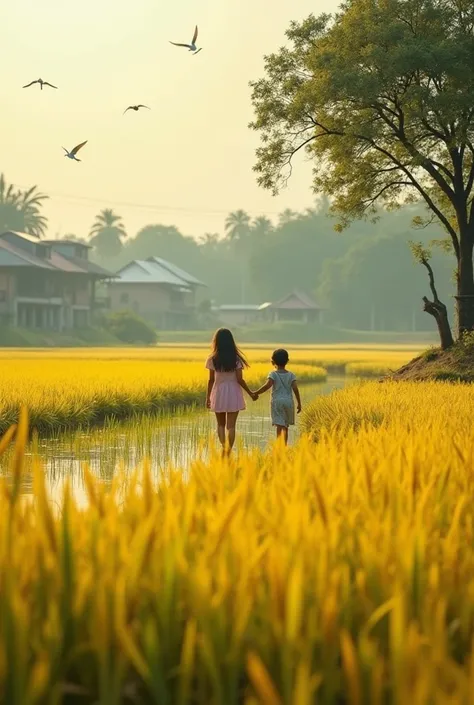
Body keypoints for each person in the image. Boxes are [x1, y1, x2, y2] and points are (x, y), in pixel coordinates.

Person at [205, 328, 257, 453]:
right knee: (231, 426)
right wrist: (250, 393)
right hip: (233, 392)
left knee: (220, 425)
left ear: (216, 341)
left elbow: (211, 380)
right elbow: (240, 380)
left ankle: (224, 448)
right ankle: (228, 451)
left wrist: (208, 398)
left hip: (218, 392)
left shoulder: (212, 359)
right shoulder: (236, 359)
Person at [254, 348, 302, 445]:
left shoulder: (273, 374)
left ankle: (279, 447)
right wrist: (299, 403)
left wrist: (256, 392)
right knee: (286, 426)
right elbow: (295, 389)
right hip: (288, 402)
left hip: (277, 402)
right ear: (287, 361)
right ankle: (284, 446)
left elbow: (267, 386)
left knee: (279, 425)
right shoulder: (291, 375)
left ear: (273, 362)